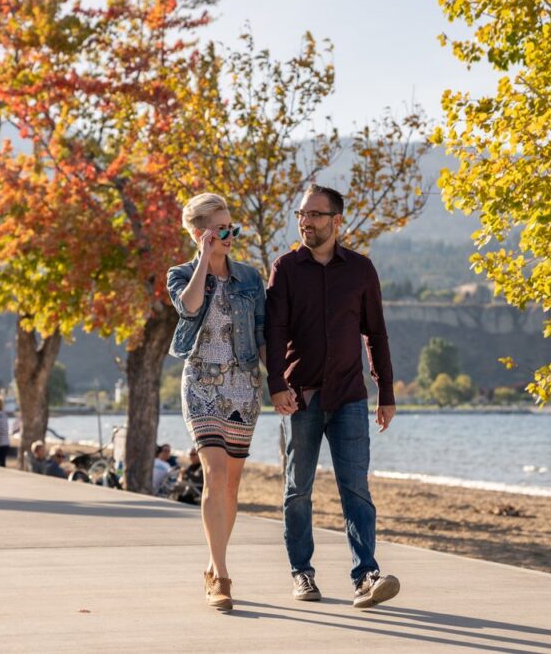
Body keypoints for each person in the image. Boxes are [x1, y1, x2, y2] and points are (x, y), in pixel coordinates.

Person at [265, 184, 400, 608]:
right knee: (297, 489)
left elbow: (375, 333)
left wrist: (387, 391)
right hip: (299, 397)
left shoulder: (360, 270)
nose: (306, 222)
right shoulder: (285, 268)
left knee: (355, 488)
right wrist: (276, 385)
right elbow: (274, 333)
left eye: (315, 215)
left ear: (336, 220)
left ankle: (366, 576)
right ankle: (302, 574)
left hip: (349, 397)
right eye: (301, 214)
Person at [167, 192, 266, 611]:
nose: (230, 235)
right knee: (214, 470)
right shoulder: (182, 274)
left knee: (230, 484)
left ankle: (212, 564)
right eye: (221, 229)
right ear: (199, 233)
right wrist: (205, 263)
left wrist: (280, 384)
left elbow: (262, 336)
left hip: (244, 383)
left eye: (232, 228)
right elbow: (188, 309)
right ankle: (223, 576)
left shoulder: (250, 278)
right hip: (201, 383)